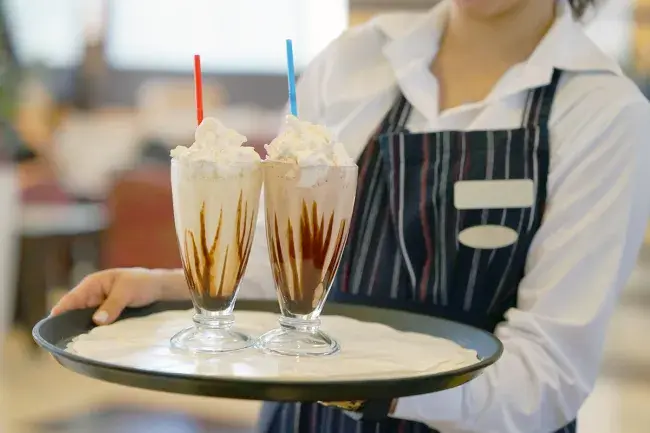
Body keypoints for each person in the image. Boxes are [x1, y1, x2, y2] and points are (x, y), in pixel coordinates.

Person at [51, 0, 650, 431]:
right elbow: (276, 277)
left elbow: (546, 379)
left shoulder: (600, 110)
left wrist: (376, 387)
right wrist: (165, 291)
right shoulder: (352, 65)